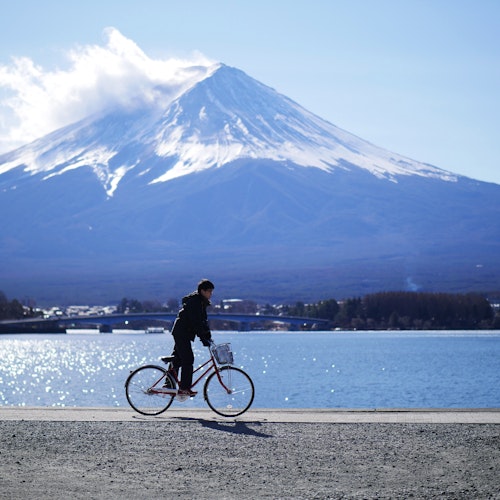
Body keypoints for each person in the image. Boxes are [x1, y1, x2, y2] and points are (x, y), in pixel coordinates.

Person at [169, 279, 214, 397]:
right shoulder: (195, 302)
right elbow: (196, 323)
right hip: (181, 333)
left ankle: (168, 385)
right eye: (209, 291)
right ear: (202, 291)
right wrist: (203, 338)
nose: (211, 294)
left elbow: (203, 322)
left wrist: (208, 336)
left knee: (177, 359)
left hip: (184, 333)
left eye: (211, 291)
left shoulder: (201, 302)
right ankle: (184, 388)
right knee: (188, 359)